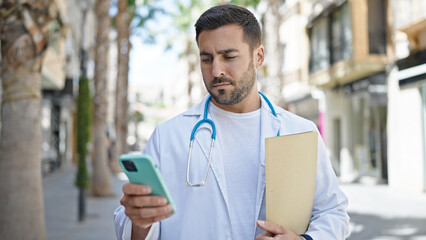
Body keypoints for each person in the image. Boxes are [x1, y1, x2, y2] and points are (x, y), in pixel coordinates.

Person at [114, 4, 350, 240]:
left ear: (258, 57)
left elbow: (332, 212)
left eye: (229, 56)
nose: (216, 70)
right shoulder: (168, 137)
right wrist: (140, 222)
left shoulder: (300, 132)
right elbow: (129, 224)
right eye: (207, 59)